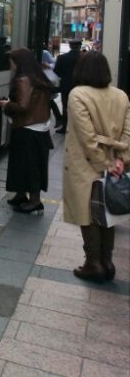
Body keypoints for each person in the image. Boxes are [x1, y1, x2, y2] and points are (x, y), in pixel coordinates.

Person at [62, 51, 130, 282]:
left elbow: (87, 137)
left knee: (87, 213)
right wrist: (120, 160)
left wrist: (105, 164)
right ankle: (107, 262)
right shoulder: (121, 96)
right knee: (106, 211)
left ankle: (92, 263)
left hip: (85, 165)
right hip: (114, 163)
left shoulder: (77, 94)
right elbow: (127, 133)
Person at [0, 47, 54, 214]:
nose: (11, 64)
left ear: (19, 62)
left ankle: (34, 201)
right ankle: (21, 195)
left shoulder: (23, 79)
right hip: (39, 128)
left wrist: (6, 104)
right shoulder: (37, 76)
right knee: (30, 164)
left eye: (12, 61)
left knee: (28, 165)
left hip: (26, 128)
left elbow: (23, 106)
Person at [53, 40, 82, 133]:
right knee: (80, 108)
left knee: (66, 107)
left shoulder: (62, 57)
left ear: (70, 46)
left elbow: (56, 71)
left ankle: (65, 127)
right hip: (81, 87)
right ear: (79, 46)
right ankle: (78, 129)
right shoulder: (85, 57)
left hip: (66, 86)